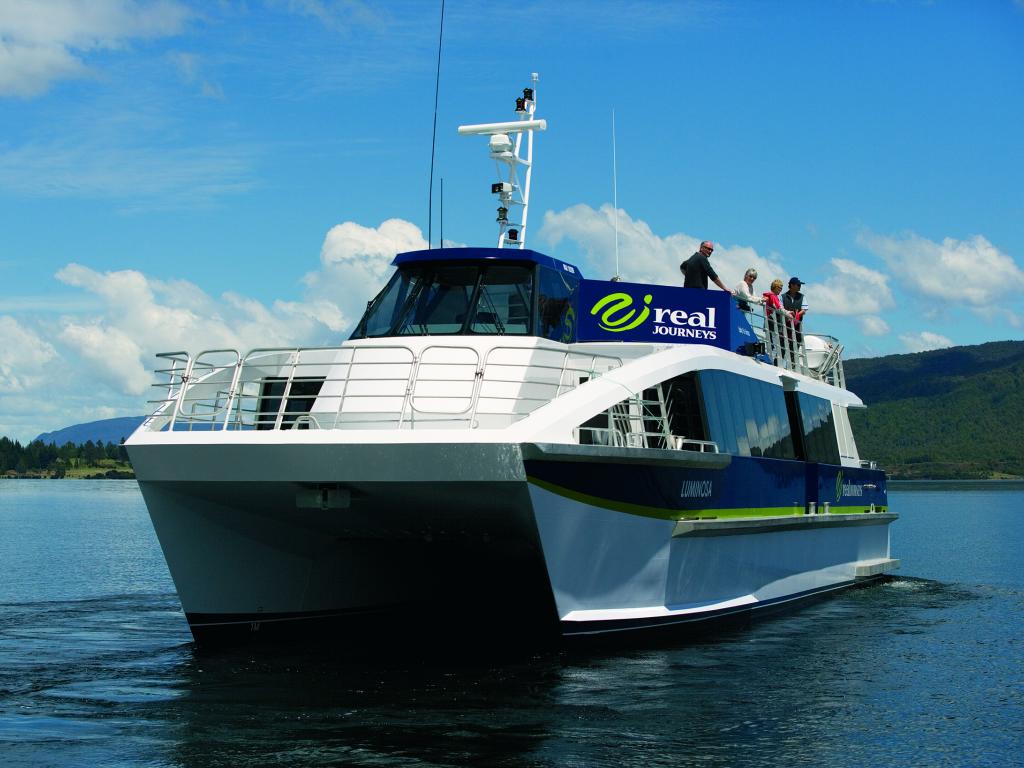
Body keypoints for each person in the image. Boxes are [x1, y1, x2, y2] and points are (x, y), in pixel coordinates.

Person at [783, 277, 807, 342]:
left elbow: (804, 310)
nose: (800, 286)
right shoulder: (783, 296)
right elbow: (780, 308)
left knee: (797, 343)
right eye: (798, 285)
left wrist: (796, 316)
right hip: (784, 327)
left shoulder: (802, 297)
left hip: (797, 328)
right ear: (792, 285)